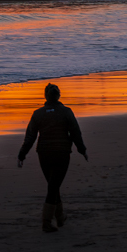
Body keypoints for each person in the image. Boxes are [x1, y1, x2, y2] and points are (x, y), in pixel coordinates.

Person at [18, 83, 87, 233]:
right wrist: (82, 150)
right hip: (61, 153)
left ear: (45, 96)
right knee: (53, 185)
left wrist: (22, 154)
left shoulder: (38, 114)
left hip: (43, 154)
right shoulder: (66, 112)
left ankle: (60, 217)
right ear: (59, 95)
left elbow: (30, 137)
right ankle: (46, 221)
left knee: (53, 184)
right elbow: (76, 133)